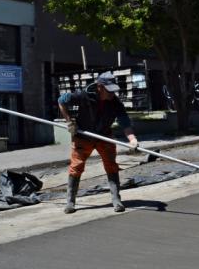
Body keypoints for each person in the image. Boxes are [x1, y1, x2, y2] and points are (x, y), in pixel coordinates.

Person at [58, 71, 139, 214]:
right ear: (100, 87)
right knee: (76, 167)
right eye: (109, 90)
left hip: (104, 137)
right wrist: (69, 121)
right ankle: (70, 202)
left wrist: (132, 139)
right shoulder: (83, 96)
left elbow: (125, 123)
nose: (112, 94)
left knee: (111, 166)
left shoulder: (115, 103)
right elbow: (61, 101)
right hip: (83, 137)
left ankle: (116, 199)